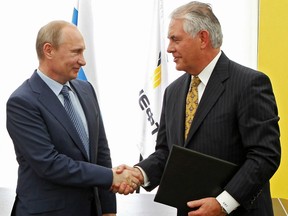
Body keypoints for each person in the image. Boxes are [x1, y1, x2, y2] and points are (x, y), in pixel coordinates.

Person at [117, 1, 281, 216]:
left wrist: (223, 203)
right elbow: (167, 152)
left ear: (202, 38)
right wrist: (139, 173)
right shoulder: (173, 92)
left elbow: (264, 155)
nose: (169, 48)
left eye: (175, 39)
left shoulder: (249, 84)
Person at [6, 20, 140, 216]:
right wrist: (111, 177)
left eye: (83, 52)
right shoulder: (22, 102)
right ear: (49, 50)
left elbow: (100, 152)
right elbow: (49, 164)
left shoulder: (86, 90)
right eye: (76, 52)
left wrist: (108, 209)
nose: (83, 60)